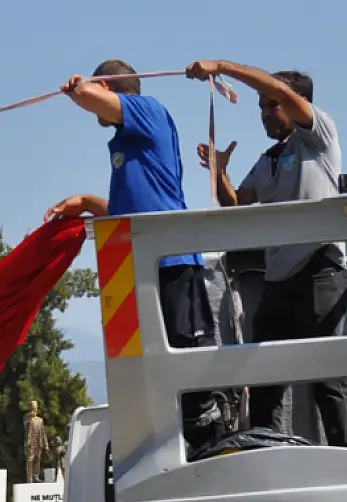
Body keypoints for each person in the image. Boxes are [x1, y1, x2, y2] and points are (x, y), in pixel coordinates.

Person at [45, 59, 226, 452]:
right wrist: (90, 202)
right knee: (155, 364)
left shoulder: (150, 110)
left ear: (110, 86)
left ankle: (209, 446)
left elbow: (89, 97)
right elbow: (134, 213)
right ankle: (173, 446)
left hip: (174, 263)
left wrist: (81, 87)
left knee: (188, 358)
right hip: (144, 268)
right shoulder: (128, 144)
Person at [187, 59, 347, 447]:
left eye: (270, 105)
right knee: (264, 376)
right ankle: (265, 451)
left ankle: (344, 458)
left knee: (326, 374)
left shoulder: (319, 136)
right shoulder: (268, 160)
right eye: (261, 107)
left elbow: (281, 90)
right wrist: (219, 171)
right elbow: (237, 206)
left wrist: (221, 68)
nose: (265, 113)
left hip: (319, 269)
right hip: (279, 279)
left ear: (297, 103)